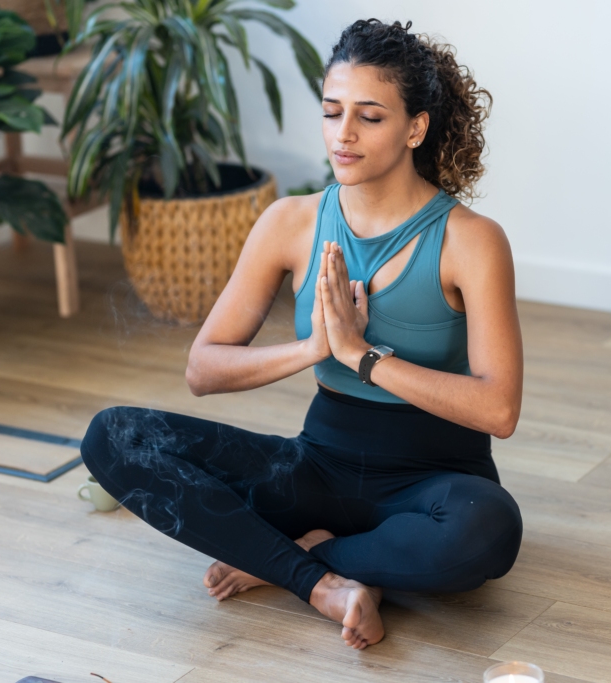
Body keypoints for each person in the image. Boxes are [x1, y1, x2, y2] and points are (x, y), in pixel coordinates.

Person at [79, 18, 524, 651]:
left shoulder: (470, 240)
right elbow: (202, 370)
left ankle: (303, 555)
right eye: (332, 111)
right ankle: (320, 583)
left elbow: (499, 409)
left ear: (414, 127)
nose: (343, 135)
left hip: (434, 480)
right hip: (315, 468)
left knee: (489, 529)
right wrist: (315, 349)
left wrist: (361, 357)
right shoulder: (290, 222)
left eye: (369, 117)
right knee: (113, 435)